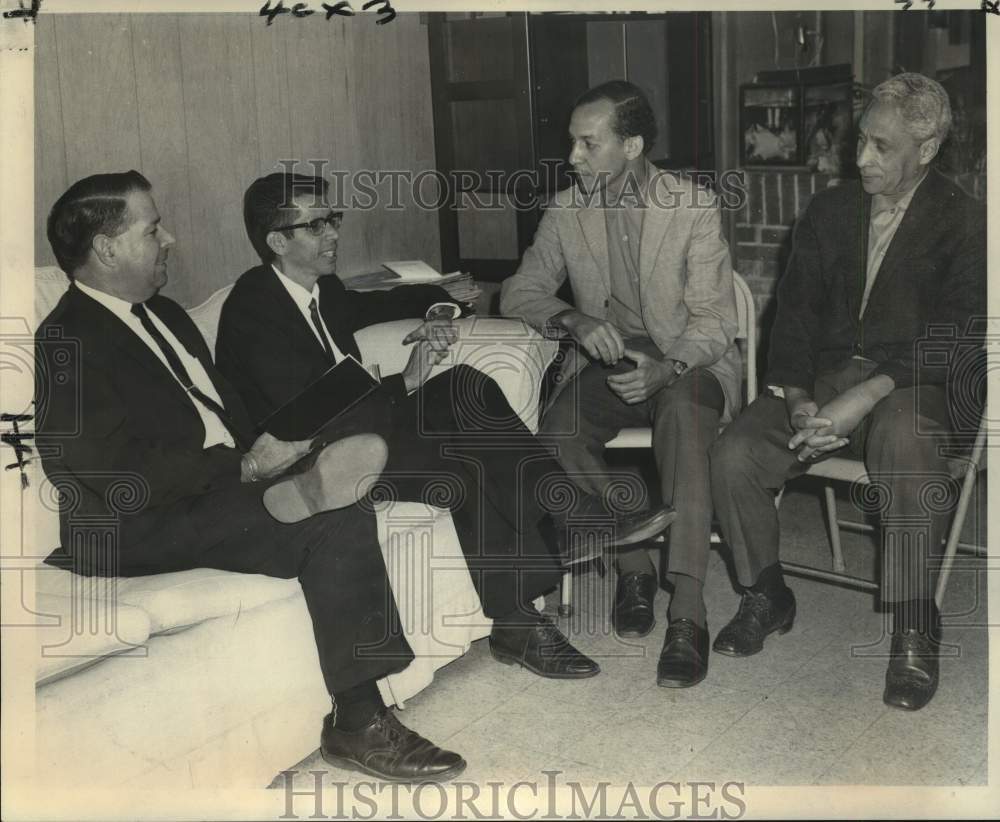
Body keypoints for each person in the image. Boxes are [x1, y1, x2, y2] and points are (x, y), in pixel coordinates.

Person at [35, 170, 471, 784]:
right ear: (106, 249)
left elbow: (227, 413)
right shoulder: (67, 337)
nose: (170, 239)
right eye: (153, 229)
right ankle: (357, 722)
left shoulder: (164, 314)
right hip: (137, 522)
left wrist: (275, 449)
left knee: (354, 474)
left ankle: (312, 483)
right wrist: (243, 467)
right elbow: (110, 470)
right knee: (331, 517)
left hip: (221, 488)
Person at [214, 172, 676, 689]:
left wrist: (440, 305)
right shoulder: (254, 309)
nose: (334, 233)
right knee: (463, 458)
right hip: (312, 468)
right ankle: (521, 615)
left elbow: (385, 303)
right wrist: (405, 382)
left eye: (333, 219)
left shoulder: (324, 290)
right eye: (316, 225)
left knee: (463, 384)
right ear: (278, 241)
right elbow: (304, 420)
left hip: (360, 434)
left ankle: (564, 515)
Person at [710, 73, 985, 711]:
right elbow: (794, 316)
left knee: (905, 439)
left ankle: (914, 623)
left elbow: (957, 338)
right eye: (861, 140)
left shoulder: (968, 221)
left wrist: (865, 396)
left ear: (927, 148)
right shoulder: (829, 211)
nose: (861, 157)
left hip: (916, 385)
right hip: (827, 379)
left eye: (881, 146)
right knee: (735, 451)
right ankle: (766, 593)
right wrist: (799, 397)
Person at [501, 80, 741, 689]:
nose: (573, 157)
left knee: (683, 422)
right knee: (557, 433)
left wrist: (670, 367)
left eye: (589, 144)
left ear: (632, 146)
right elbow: (518, 292)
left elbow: (715, 321)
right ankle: (633, 564)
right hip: (611, 362)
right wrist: (574, 320)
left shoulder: (692, 206)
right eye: (573, 143)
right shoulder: (566, 210)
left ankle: (688, 612)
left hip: (690, 362)